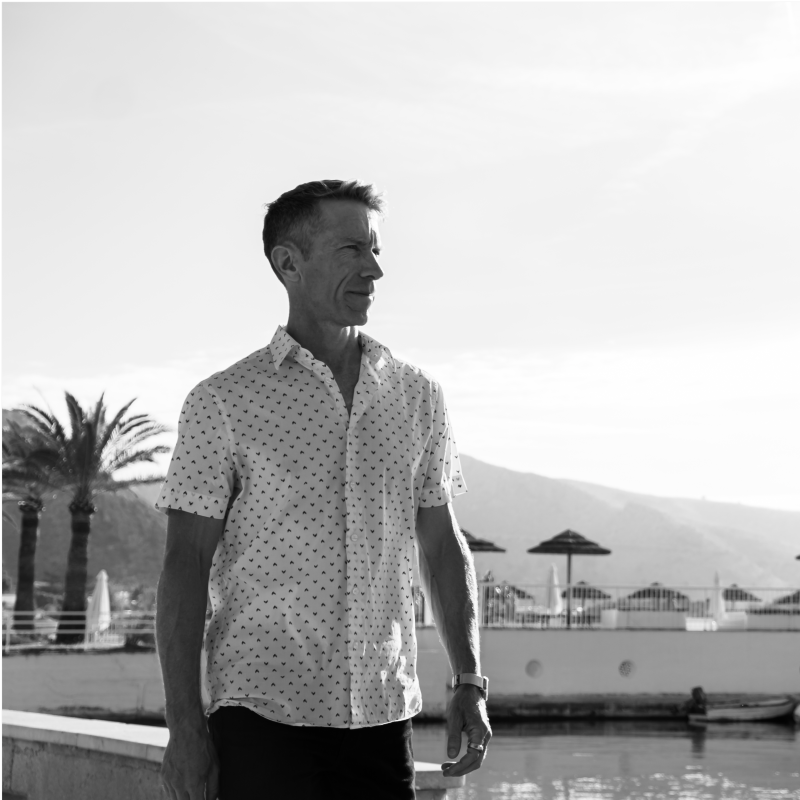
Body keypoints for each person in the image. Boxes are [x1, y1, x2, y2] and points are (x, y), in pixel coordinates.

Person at [155, 179, 490, 799]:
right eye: (352, 250)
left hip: (383, 718)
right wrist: (185, 730)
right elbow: (185, 564)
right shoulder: (222, 402)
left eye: (376, 250)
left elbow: (443, 547)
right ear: (289, 263)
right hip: (263, 718)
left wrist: (469, 678)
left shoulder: (419, 396)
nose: (375, 269)